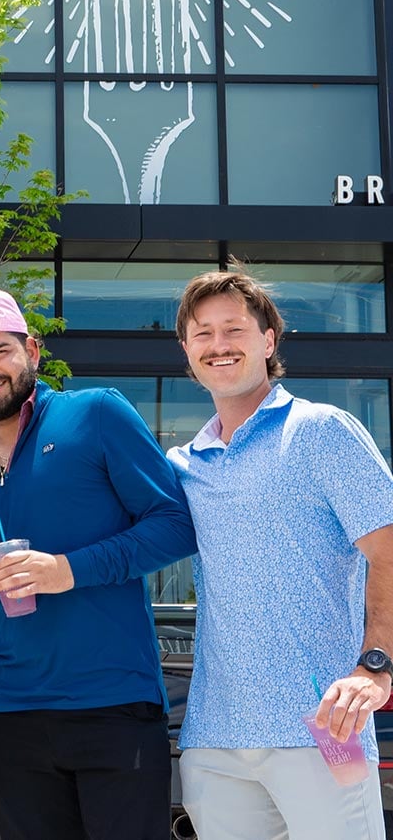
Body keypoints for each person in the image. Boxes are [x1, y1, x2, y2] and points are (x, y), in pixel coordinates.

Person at [0, 287, 198, 840]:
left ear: (31, 350)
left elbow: (176, 525)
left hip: (115, 707)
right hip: (12, 714)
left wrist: (67, 570)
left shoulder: (96, 414)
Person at [169, 268, 393, 840]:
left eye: (234, 329)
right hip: (214, 739)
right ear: (187, 351)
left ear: (268, 341)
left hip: (324, 731)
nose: (219, 345)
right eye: (203, 334)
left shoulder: (321, 431)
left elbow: (387, 550)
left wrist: (376, 665)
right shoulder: (183, 466)